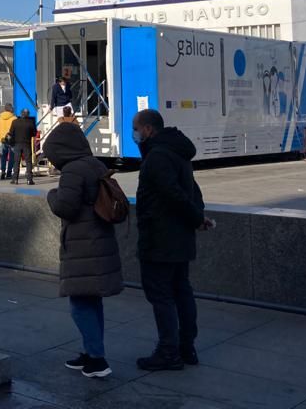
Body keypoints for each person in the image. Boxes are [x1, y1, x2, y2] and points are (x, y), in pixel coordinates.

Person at [133, 109, 212, 371]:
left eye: (136, 128)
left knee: (162, 296)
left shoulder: (157, 157)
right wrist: (197, 218)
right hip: (180, 239)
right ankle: (186, 346)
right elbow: (192, 190)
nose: (134, 134)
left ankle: (169, 351)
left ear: (147, 130)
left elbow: (174, 195)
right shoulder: (178, 152)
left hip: (160, 239)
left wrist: (195, 218)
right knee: (182, 291)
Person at [45, 120, 122, 379]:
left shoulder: (73, 171)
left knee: (79, 304)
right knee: (92, 301)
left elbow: (65, 207)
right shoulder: (95, 164)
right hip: (99, 240)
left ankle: (98, 360)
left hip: (83, 244)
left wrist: (51, 195)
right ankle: (91, 353)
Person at [10, 109, 38, 185]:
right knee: (28, 162)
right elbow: (34, 133)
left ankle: (15, 179)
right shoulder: (31, 123)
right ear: (28, 114)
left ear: (21, 114)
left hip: (17, 144)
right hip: (27, 144)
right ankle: (29, 180)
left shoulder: (15, 122)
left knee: (16, 162)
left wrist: (11, 143)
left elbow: (11, 133)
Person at [0, 104, 16, 181]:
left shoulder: (0, 118)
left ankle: (3, 171)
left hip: (3, 139)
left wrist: (0, 136)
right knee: (11, 156)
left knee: (3, 156)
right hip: (11, 140)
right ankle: (9, 173)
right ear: (11, 109)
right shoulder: (14, 118)